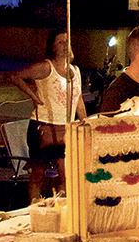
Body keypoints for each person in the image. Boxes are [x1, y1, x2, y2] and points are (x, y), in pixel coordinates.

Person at [10, 29, 87, 201]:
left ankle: (61, 209)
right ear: (52, 46)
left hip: (65, 129)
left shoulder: (75, 71)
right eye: (60, 42)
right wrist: (33, 95)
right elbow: (16, 76)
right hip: (43, 127)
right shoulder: (45, 68)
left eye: (67, 41)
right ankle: (34, 210)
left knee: (66, 175)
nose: (64, 45)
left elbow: (79, 100)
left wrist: (85, 122)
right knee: (38, 174)